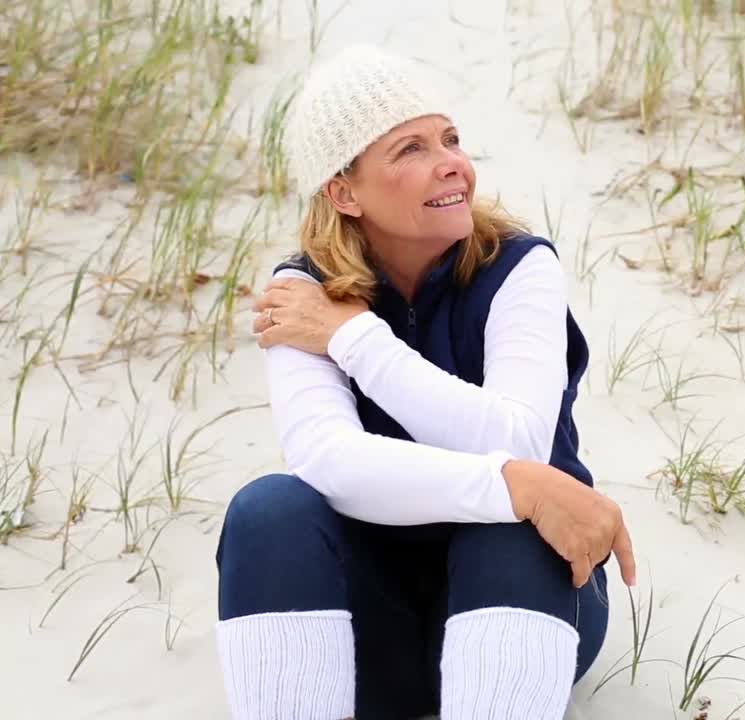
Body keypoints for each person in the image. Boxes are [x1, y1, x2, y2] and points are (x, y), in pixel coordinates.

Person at [214, 43, 637, 720]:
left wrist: (354, 339)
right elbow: (330, 461)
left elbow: (519, 437)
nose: (452, 164)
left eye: (450, 138)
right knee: (269, 511)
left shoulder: (519, 269)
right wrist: (516, 485)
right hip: (369, 634)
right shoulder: (301, 294)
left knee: (510, 528)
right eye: (409, 148)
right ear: (343, 191)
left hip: (528, 603)